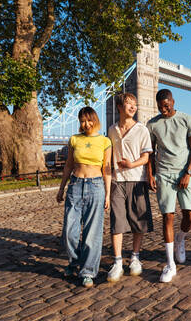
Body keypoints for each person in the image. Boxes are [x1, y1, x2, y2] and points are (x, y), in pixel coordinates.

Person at [147, 89, 191, 283]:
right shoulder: (152, 124)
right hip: (164, 174)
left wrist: (188, 172)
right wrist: (150, 174)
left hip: (184, 173)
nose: (164, 109)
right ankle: (170, 264)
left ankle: (180, 239)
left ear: (173, 102)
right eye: (160, 107)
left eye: (167, 106)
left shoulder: (187, 119)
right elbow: (150, 152)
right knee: (168, 216)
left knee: (189, 216)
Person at [56, 107, 112, 288]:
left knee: (92, 234)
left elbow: (107, 169)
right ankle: (74, 262)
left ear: (95, 119)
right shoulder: (74, 139)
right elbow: (68, 165)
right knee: (68, 232)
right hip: (75, 185)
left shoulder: (105, 141)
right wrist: (61, 188)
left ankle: (87, 272)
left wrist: (108, 194)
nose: (86, 124)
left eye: (89, 120)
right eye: (82, 121)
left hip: (96, 186)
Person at [106, 93, 154, 282]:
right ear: (119, 107)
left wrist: (131, 165)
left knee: (138, 221)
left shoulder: (142, 129)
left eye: (135, 104)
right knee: (116, 221)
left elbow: (146, 157)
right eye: (128, 104)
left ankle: (135, 257)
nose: (133, 107)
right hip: (117, 180)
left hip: (137, 180)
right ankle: (117, 261)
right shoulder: (111, 130)